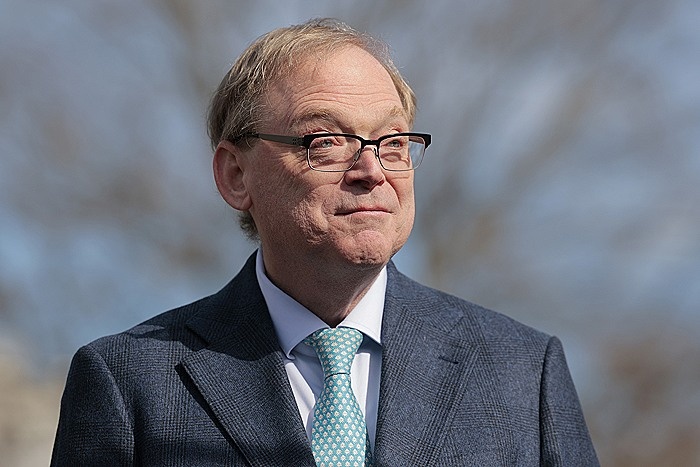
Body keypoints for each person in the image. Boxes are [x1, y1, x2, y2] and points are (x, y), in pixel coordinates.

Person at [51, 18, 598, 466]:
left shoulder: (523, 372)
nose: (372, 170)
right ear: (236, 175)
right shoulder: (129, 382)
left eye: (393, 142)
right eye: (326, 141)